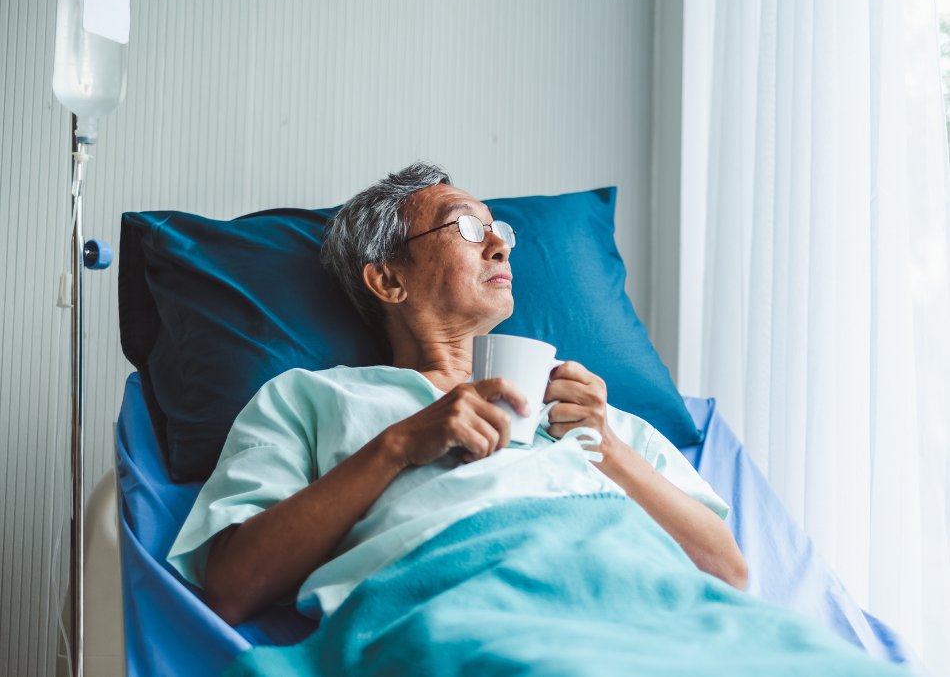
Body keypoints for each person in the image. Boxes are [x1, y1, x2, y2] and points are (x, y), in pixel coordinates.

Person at [168, 162, 746, 627]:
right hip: (463, 615)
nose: (499, 244)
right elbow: (232, 588)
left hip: (641, 607)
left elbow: (727, 572)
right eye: (468, 228)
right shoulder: (311, 400)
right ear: (388, 279)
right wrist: (397, 446)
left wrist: (610, 449)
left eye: (500, 231)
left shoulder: (587, 410)